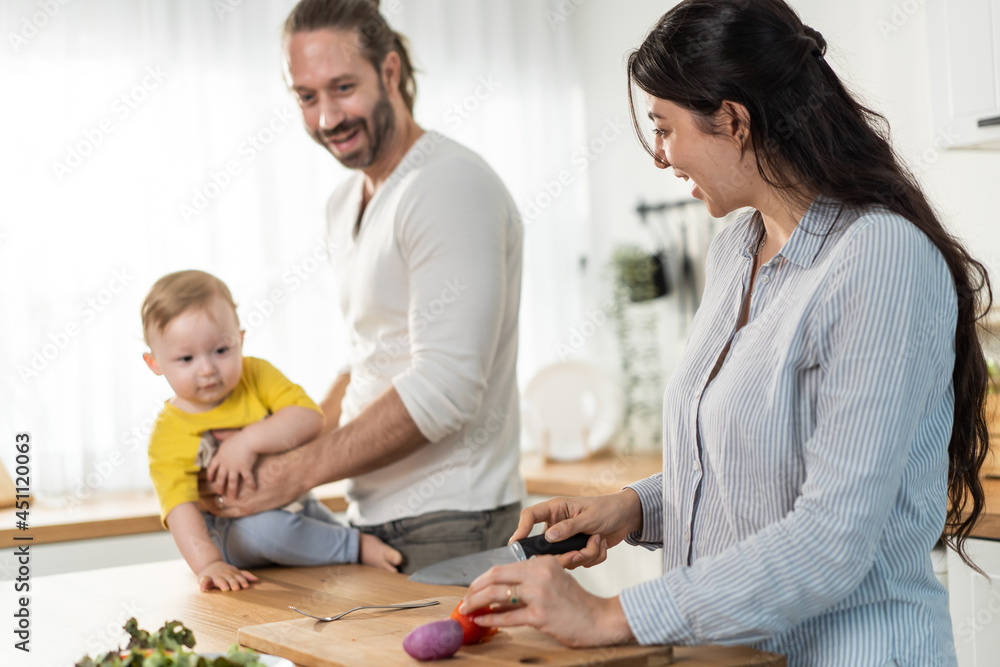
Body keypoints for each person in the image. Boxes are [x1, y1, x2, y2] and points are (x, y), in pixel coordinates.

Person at [460, 1, 992, 665]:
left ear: (734, 121)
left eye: (665, 129)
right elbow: (745, 461)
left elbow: (832, 537)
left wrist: (609, 613)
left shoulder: (879, 258)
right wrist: (631, 508)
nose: (660, 156)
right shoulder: (736, 248)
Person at [200, 0, 524, 574]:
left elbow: (446, 388)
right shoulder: (346, 202)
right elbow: (368, 364)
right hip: (375, 514)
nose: (326, 118)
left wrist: (293, 475)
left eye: (343, 87)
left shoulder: (447, 185)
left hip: (451, 519)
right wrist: (268, 446)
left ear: (390, 73)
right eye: (306, 96)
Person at [141, 270, 401, 592]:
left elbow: (309, 418)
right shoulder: (168, 432)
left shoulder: (256, 374)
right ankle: (354, 546)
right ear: (155, 363)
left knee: (310, 522)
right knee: (269, 531)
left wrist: (248, 441)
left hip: (296, 501)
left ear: (240, 338)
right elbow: (180, 508)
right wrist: (209, 563)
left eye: (221, 351)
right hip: (232, 529)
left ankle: (339, 540)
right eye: (186, 358)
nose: (207, 368)